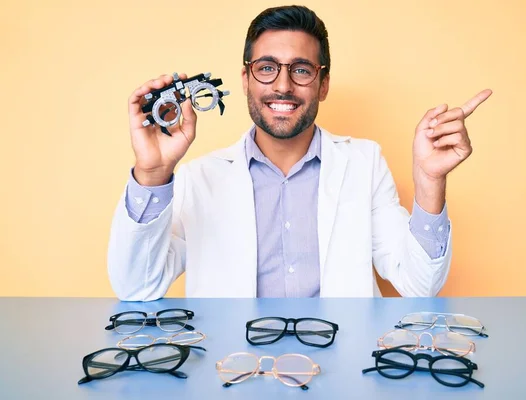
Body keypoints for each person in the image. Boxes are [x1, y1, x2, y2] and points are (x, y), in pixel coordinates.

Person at [107, 5, 491, 301]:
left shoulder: (364, 163)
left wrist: (429, 181)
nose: (283, 86)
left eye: (302, 70)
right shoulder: (198, 178)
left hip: (340, 368)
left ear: (323, 84)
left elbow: (419, 283)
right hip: (232, 370)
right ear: (245, 80)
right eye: (267, 68)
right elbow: (137, 286)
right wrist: (152, 174)